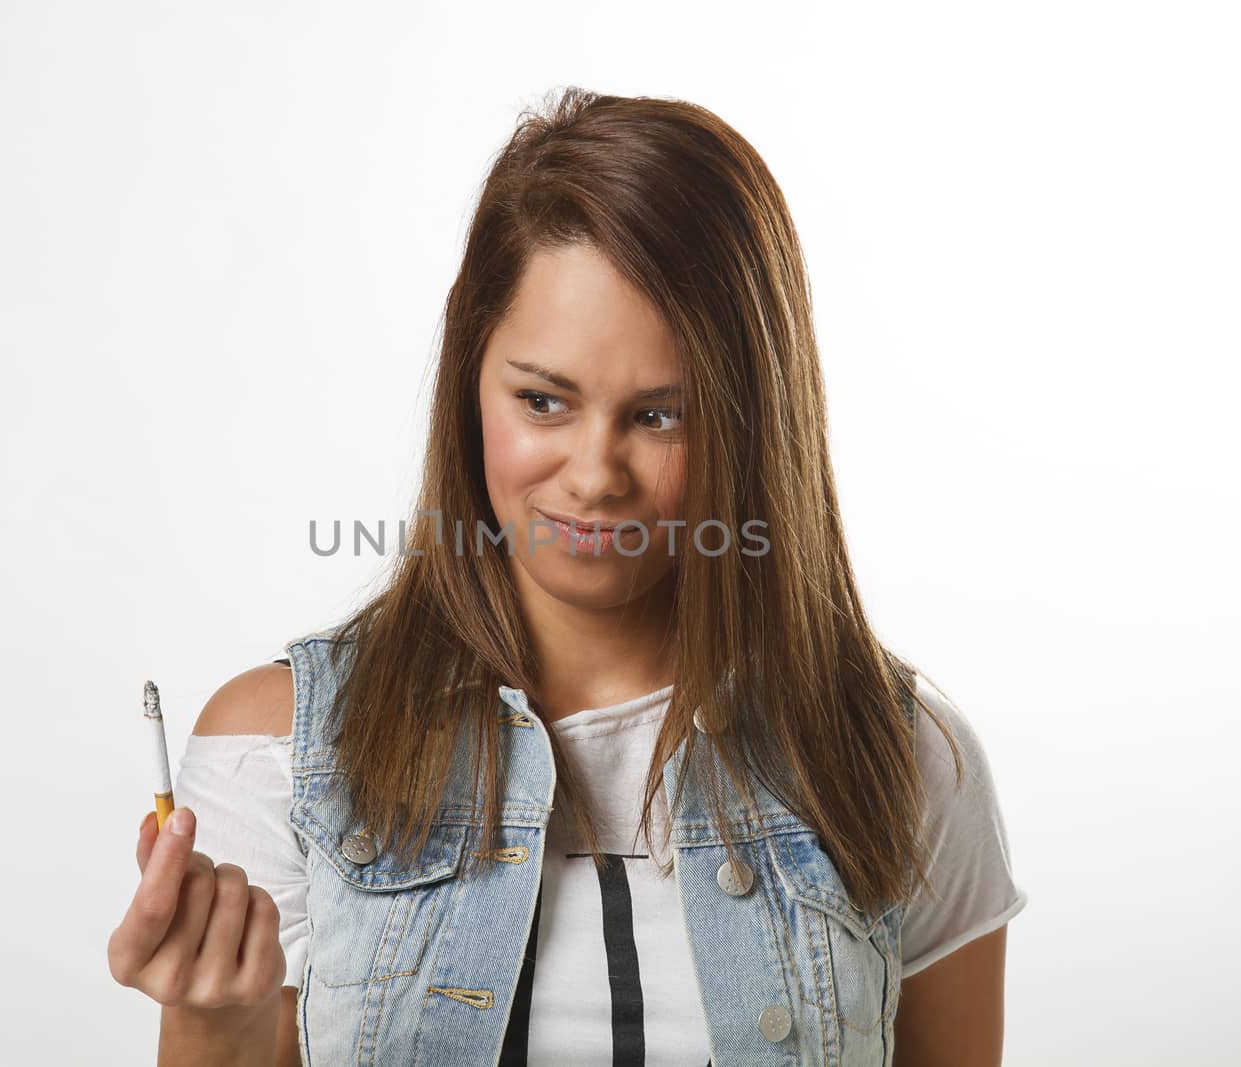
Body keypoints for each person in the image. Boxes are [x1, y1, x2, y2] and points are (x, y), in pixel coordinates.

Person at [107, 86, 1026, 1066]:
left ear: (756, 418)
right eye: (544, 400)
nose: (593, 477)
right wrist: (215, 1022)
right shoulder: (280, 754)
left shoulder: (899, 755)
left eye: (659, 413)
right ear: (470, 378)